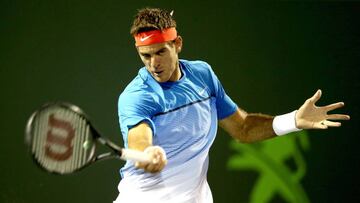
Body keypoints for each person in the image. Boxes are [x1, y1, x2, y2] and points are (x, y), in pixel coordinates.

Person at [114, 7, 350, 203]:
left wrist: (294, 120)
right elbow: (139, 139)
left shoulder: (202, 75)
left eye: (160, 52)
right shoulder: (137, 96)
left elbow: (243, 128)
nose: (153, 64)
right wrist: (147, 153)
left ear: (177, 44)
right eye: (145, 56)